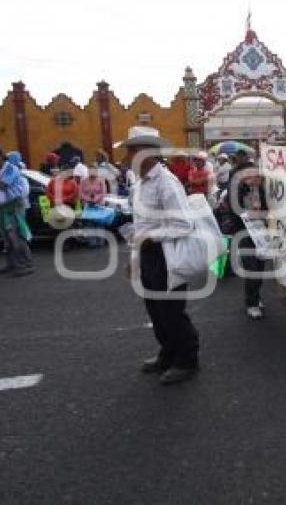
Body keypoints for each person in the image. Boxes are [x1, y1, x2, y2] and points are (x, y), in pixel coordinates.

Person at [117, 126, 200, 385]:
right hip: (148, 254)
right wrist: (134, 259)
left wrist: (152, 238)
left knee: (171, 311)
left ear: (148, 153)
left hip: (166, 255)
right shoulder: (140, 183)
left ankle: (187, 360)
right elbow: (141, 225)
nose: (126, 157)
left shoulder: (167, 183)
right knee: (154, 309)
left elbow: (185, 225)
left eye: (131, 150)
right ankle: (168, 352)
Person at [227, 149, 268, 319]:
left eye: (258, 176)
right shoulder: (235, 190)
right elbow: (235, 210)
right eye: (252, 175)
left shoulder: (262, 190)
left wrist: (264, 212)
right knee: (251, 267)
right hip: (244, 233)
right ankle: (251, 304)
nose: (257, 179)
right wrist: (252, 212)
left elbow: (267, 209)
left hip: (261, 233)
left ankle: (256, 296)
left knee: (259, 267)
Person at [0, 147, 35, 277]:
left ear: (1, 157)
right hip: (0, 208)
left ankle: (25, 264)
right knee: (6, 238)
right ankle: (12, 263)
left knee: (16, 236)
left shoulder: (11, 169)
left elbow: (2, 186)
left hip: (13, 207)